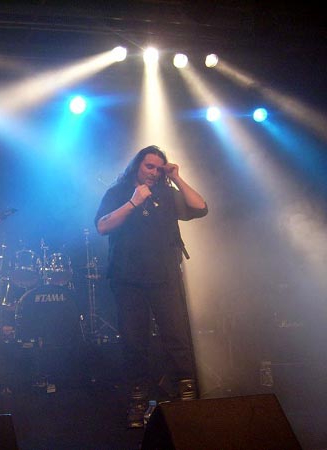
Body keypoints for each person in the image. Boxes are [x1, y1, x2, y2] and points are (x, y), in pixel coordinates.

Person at [95, 145, 207, 428]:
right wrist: (133, 202)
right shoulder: (118, 193)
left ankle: (187, 397)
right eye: (149, 166)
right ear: (137, 166)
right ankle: (138, 402)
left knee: (177, 337)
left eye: (159, 168)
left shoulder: (166, 194)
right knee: (134, 341)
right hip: (127, 279)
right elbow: (102, 226)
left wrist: (176, 178)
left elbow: (200, 207)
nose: (154, 173)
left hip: (164, 277)